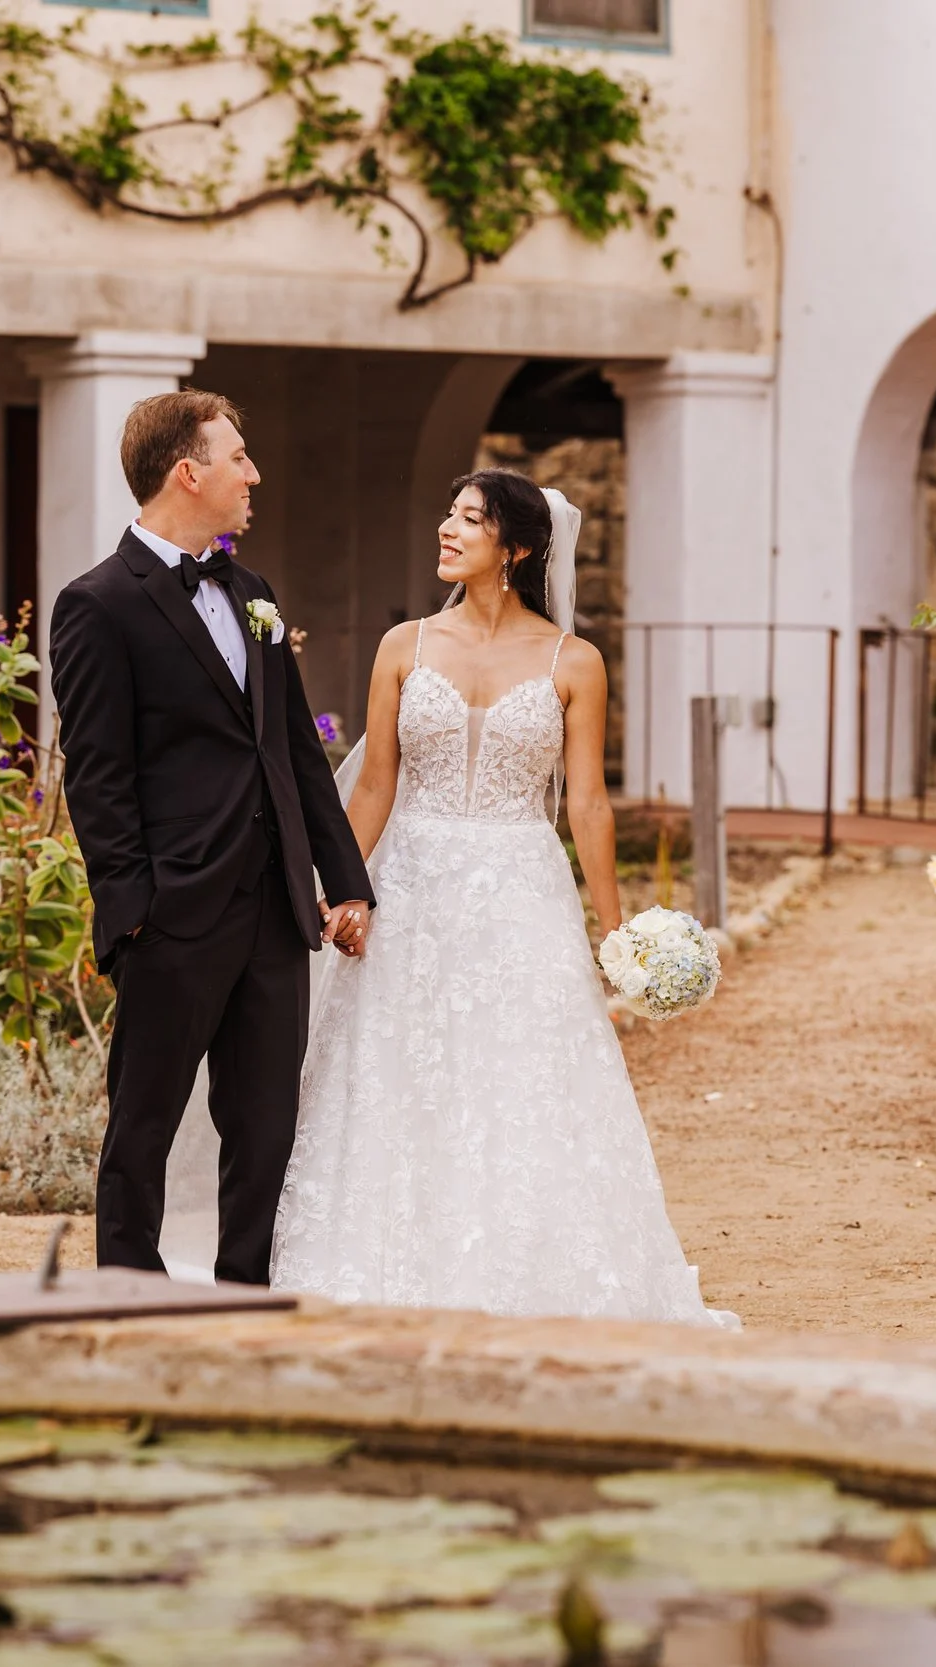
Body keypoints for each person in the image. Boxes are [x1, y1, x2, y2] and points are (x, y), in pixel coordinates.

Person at [268, 469, 739, 1327]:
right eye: (448, 514)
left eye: (470, 520)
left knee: (521, 1077)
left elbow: (589, 803)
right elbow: (374, 786)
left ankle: (521, 1268)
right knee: (399, 1072)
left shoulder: (575, 662)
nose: (447, 529)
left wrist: (615, 933)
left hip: (522, 891)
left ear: (516, 549)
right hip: (410, 885)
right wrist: (345, 889)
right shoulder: (404, 645)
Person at [47, 390, 374, 1286]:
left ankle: (242, 1300)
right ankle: (123, 1295)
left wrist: (346, 879)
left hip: (275, 909)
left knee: (265, 1125)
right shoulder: (97, 604)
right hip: (173, 915)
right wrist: (132, 913)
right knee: (143, 1123)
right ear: (188, 472)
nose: (252, 473)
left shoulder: (253, 594)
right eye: (238, 457)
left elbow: (297, 751)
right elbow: (98, 774)